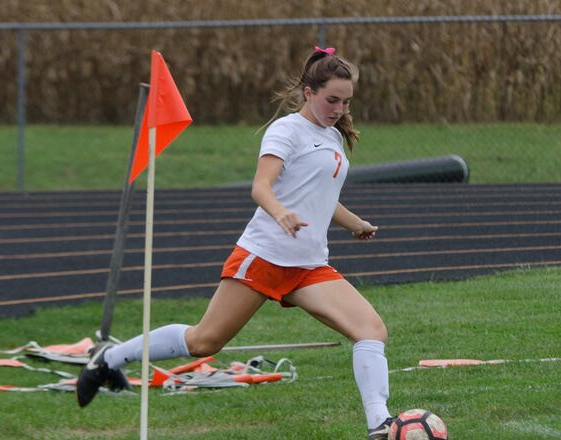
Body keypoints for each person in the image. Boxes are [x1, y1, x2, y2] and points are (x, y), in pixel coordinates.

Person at [76, 46, 395, 439]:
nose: (339, 109)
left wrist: (354, 223)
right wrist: (280, 214)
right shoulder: (286, 131)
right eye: (332, 100)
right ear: (308, 92)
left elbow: (320, 195)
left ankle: (379, 424)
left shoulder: (331, 136)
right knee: (203, 341)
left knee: (371, 330)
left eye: (346, 102)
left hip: (309, 266)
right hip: (264, 256)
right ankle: (107, 359)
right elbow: (261, 188)